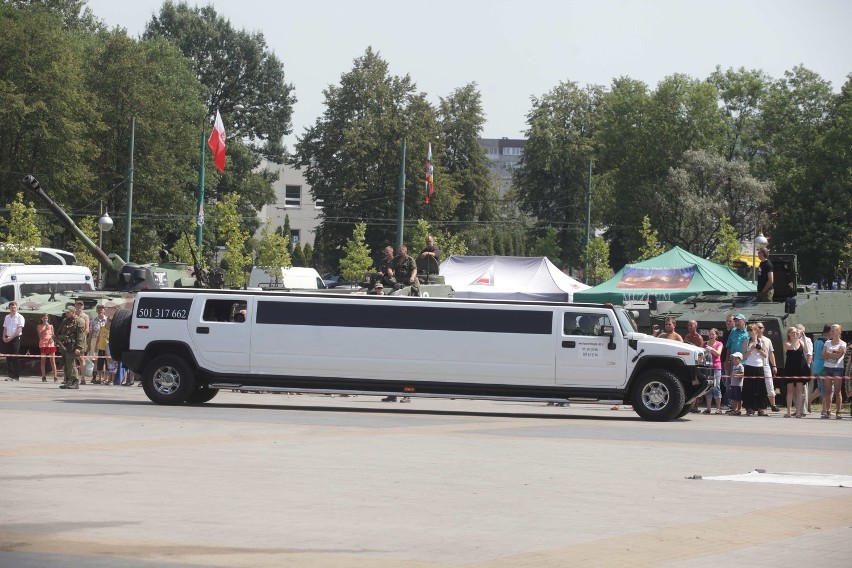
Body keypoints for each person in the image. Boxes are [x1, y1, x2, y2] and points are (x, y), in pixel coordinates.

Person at [741, 323, 769, 416]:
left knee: (760, 388)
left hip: (759, 366)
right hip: (749, 366)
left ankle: (760, 408)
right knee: (749, 387)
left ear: (756, 331)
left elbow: (765, 355)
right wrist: (751, 350)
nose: (749, 332)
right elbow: (743, 356)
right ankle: (750, 408)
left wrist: (759, 350)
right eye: (748, 330)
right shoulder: (746, 341)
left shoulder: (762, 341)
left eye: (751, 330)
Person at [781, 326, 809, 418]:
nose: (795, 334)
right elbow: (792, 348)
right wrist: (797, 338)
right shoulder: (786, 343)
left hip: (800, 368)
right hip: (790, 368)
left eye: (796, 332)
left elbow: (806, 350)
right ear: (789, 334)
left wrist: (804, 338)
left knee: (799, 391)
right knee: (790, 391)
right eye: (793, 332)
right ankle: (789, 411)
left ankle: (798, 411)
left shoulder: (800, 341)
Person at [821, 324, 847, 420]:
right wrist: (833, 354)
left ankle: (838, 412)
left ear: (839, 332)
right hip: (827, 368)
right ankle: (828, 411)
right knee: (828, 391)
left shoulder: (843, 344)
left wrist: (829, 354)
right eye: (831, 331)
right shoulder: (827, 342)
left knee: (837, 391)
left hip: (837, 369)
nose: (832, 332)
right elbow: (822, 355)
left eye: (834, 330)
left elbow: (838, 357)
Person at [58, 305, 87, 390]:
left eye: (68, 312)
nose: (66, 314)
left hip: (73, 346)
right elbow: (59, 332)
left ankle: (75, 381)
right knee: (65, 363)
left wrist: (79, 347)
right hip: (65, 345)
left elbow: (80, 336)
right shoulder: (65, 321)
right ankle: (68, 381)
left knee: (71, 364)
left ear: (73, 312)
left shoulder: (79, 321)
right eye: (66, 312)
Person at [754, 322, 780, 412]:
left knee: (769, 384)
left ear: (763, 329)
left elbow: (771, 353)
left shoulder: (767, 340)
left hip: (765, 365)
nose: (758, 329)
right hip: (755, 365)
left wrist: (774, 365)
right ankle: (755, 405)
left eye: (760, 327)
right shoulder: (752, 339)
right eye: (756, 327)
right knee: (756, 386)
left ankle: (773, 404)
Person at [809, 324, 831, 410]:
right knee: (826, 388)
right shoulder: (826, 341)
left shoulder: (818, 340)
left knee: (821, 387)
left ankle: (809, 399)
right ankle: (825, 410)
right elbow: (824, 355)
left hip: (817, 365)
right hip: (823, 366)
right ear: (829, 332)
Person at [2, 301, 25, 381]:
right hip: (7, 338)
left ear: (17, 307)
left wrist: (11, 337)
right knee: (8, 357)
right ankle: (10, 375)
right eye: (12, 308)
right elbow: (5, 328)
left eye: (14, 307)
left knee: (15, 357)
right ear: (9, 308)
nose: (13, 309)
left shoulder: (20, 317)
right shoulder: (7, 317)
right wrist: (4, 337)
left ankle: (16, 376)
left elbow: (19, 329)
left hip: (15, 338)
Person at [704, 329, 724, 414]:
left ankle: (718, 408)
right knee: (708, 387)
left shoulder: (719, 344)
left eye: (713, 334)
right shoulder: (704, 344)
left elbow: (718, 353)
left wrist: (711, 349)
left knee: (716, 386)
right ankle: (708, 408)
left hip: (716, 367)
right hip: (708, 367)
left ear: (716, 335)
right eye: (710, 334)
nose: (711, 336)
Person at [795, 324, 813, 414]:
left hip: (803, 366)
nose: (796, 332)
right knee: (795, 389)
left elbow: (809, 354)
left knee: (803, 389)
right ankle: (798, 408)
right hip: (795, 366)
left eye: (798, 330)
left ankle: (804, 409)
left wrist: (807, 366)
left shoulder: (807, 340)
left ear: (803, 332)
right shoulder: (794, 340)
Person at [89, 305, 108, 384]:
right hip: (94, 339)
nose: (100, 311)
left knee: (106, 359)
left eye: (101, 309)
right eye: (99, 309)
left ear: (104, 311)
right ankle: (95, 377)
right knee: (95, 360)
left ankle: (105, 378)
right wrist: (89, 343)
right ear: (96, 311)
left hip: (105, 341)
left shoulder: (107, 320)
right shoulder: (93, 321)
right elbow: (90, 333)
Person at [37, 314, 58, 383]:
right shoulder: (39, 326)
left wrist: (52, 339)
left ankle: (55, 376)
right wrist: (45, 329)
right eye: (44, 318)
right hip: (43, 343)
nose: (45, 319)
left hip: (50, 344)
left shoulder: (51, 326)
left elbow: (53, 334)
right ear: (41, 319)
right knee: (43, 360)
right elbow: (40, 336)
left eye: (46, 318)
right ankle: (43, 376)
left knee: (52, 360)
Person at [74, 301, 90, 384]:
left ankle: (83, 378)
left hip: (81, 340)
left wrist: (81, 336)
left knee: (81, 358)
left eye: (81, 306)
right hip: (72, 340)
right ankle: (70, 377)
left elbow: (87, 329)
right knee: (71, 359)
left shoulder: (85, 316)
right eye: (78, 305)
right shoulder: (73, 315)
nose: (79, 307)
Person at [95, 317, 111, 384]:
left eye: (109, 321)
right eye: (107, 321)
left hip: (108, 349)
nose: (108, 322)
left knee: (108, 364)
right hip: (101, 347)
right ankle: (100, 378)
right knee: (100, 363)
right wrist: (96, 345)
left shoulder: (112, 330)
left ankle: (107, 378)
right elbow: (99, 337)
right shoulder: (102, 328)